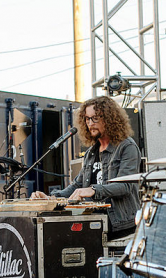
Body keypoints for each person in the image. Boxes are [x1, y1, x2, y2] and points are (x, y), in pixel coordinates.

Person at [30, 95, 141, 240]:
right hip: (95, 223)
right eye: (87, 119)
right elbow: (77, 185)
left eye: (95, 118)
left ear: (109, 118)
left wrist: (93, 190)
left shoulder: (127, 147)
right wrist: (51, 198)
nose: (90, 123)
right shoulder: (91, 152)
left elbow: (125, 186)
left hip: (122, 226)